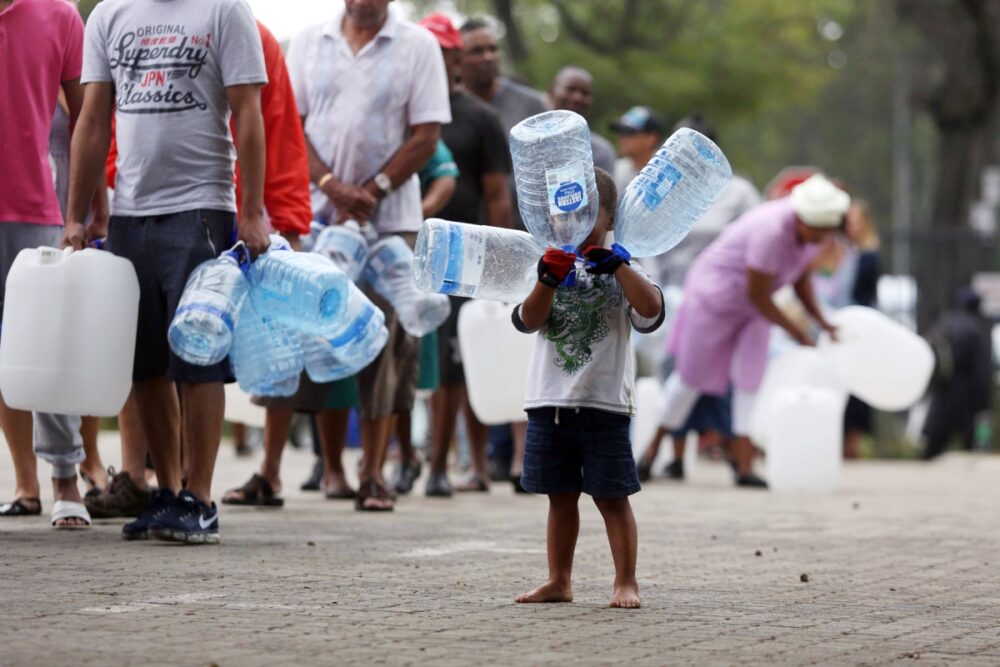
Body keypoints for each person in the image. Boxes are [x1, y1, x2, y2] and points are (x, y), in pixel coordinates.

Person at [65, 0, 269, 543]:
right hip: (131, 211)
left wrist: (252, 210)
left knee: (199, 358)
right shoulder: (108, 14)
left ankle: (199, 500)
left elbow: (248, 111)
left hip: (201, 207)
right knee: (145, 365)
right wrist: (75, 215)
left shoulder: (225, 10)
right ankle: (167, 492)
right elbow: (91, 118)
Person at [286, 0, 451, 511]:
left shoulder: (417, 45)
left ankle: (374, 471)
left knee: (385, 345)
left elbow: (427, 136)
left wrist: (373, 188)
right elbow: (291, 126)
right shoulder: (310, 41)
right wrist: (332, 186)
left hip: (390, 221)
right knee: (323, 337)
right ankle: (331, 466)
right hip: (320, 217)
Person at [512, 168, 663, 609]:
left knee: (612, 497)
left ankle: (626, 581)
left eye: (588, 214)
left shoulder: (629, 266)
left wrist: (619, 266)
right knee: (560, 498)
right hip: (550, 402)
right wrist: (546, 280)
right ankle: (559, 580)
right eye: (566, 215)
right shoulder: (544, 264)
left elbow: (651, 309)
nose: (575, 224)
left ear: (611, 219)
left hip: (605, 405)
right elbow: (529, 320)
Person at [652, 174, 850, 488]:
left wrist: (821, 321)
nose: (820, 238)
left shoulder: (814, 230)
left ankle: (745, 467)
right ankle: (650, 453)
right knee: (691, 377)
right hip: (715, 297)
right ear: (802, 217)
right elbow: (759, 294)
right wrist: (799, 333)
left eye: (826, 231)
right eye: (817, 231)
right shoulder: (770, 230)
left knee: (750, 379)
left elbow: (800, 280)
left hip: (754, 307)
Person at [0, 0, 108, 528]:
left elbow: (87, 113)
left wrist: (94, 204)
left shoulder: (60, 15)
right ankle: (24, 482)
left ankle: (65, 479)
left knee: (47, 350)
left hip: (35, 208)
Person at [416, 13, 514, 497]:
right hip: (409, 253)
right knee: (412, 360)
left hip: (464, 259)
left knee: (458, 364)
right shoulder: (408, 111)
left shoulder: (481, 118)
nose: (433, 58)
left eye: (442, 50)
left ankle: (453, 464)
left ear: (454, 56)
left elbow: (498, 196)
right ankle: (409, 463)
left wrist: (499, 272)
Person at [635, 114, 761, 481]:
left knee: (721, 378)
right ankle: (673, 455)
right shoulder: (665, 189)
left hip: (723, 299)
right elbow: (650, 245)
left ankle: (736, 455)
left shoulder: (737, 192)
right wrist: (655, 293)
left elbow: (752, 241)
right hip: (673, 296)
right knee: (676, 372)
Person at [459, 17, 544, 482]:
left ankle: (520, 458)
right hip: (469, 247)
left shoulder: (530, 105)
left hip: (525, 246)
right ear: (458, 57)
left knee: (521, 346)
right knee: (474, 349)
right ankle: (475, 465)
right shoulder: (448, 106)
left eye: (493, 49)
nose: (488, 57)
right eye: (477, 51)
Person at [810, 200, 882, 458]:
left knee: (855, 389)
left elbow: (862, 298)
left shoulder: (867, 257)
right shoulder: (838, 253)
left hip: (853, 327)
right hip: (832, 326)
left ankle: (851, 442)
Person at [921, 287, 993, 460]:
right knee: (973, 445)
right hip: (968, 395)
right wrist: (985, 401)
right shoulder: (977, 329)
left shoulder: (945, 323)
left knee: (934, 444)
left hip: (943, 389)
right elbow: (982, 369)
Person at [548, 66, 616, 174]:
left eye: (585, 93)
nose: (578, 98)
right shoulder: (526, 140)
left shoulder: (600, 151)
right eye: (571, 89)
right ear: (551, 92)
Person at [610, 106, 666, 192]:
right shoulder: (616, 169)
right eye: (621, 132)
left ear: (651, 138)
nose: (621, 138)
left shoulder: (666, 174)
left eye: (629, 133)